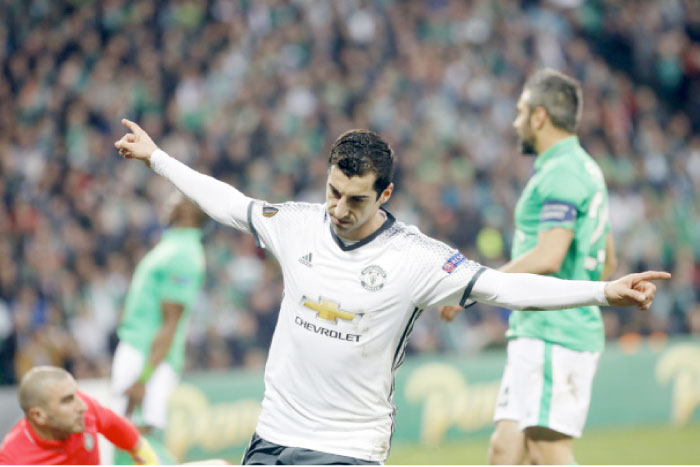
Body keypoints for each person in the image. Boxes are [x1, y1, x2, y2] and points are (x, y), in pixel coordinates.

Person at [114, 119, 668, 465]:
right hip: (272, 435)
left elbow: (505, 289)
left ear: (386, 194)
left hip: (348, 448)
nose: (339, 210)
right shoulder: (297, 223)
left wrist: (603, 292)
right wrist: (157, 159)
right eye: (333, 192)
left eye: (356, 200)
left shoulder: (417, 259)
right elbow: (226, 201)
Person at [441, 69, 617, 465]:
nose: (515, 120)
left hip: (553, 331)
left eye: (521, 111)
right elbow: (608, 256)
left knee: (545, 450)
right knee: (505, 452)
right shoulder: (584, 169)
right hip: (542, 330)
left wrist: (476, 287)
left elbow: (550, 255)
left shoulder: (562, 172)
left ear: (540, 116)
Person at [110, 193, 206, 464]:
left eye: (176, 197)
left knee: (139, 439)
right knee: (127, 437)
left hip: (148, 357)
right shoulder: (174, 246)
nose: (168, 201)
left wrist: (144, 378)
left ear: (190, 209)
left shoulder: (184, 255)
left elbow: (171, 323)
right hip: (141, 350)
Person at [0, 366, 158, 465]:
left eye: (76, 394)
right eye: (67, 400)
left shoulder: (85, 408)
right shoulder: (12, 461)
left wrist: (144, 454)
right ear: (39, 416)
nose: (82, 406)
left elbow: (116, 427)